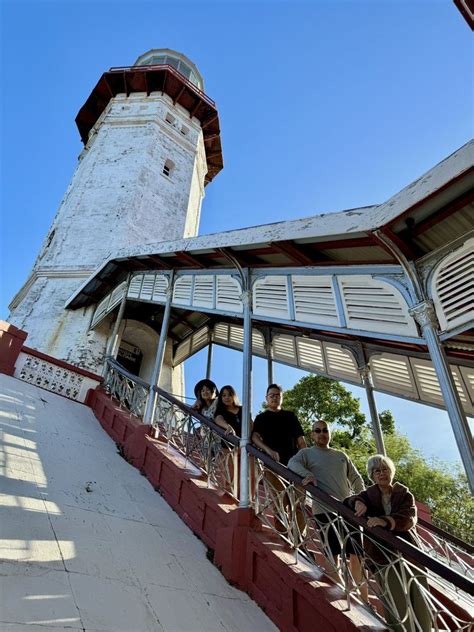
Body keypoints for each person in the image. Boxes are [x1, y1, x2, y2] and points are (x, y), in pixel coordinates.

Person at [344, 455, 432, 631]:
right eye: (377, 471)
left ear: (391, 472)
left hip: (410, 553)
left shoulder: (404, 493)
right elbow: (347, 501)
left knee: (420, 599)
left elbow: (409, 519)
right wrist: (358, 502)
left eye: (385, 469)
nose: (382, 473)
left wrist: (385, 521)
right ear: (372, 475)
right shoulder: (368, 495)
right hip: (382, 555)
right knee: (396, 602)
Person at [288, 419, 366, 595]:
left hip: (348, 511)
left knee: (356, 555)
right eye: (318, 430)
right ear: (312, 434)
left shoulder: (341, 455)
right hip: (324, 510)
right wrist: (307, 474)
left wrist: (361, 498)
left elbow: (356, 478)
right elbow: (292, 464)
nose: (322, 433)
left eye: (325, 430)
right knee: (333, 554)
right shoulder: (307, 453)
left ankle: (364, 598)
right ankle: (339, 593)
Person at [252, 384, 307, 535]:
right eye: (272, 395)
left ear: (282, 397)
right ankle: (283, 535)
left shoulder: (290, 416)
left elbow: (301, 441)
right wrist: (268, 450)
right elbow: (255, 437)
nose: (275, 397)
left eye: (278, 395)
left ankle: (298, 539)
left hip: (295, 466)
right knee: (279, 502)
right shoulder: (261, 418)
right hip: (273, 465)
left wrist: (304, 460)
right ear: (266, 398)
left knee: (298, 504)